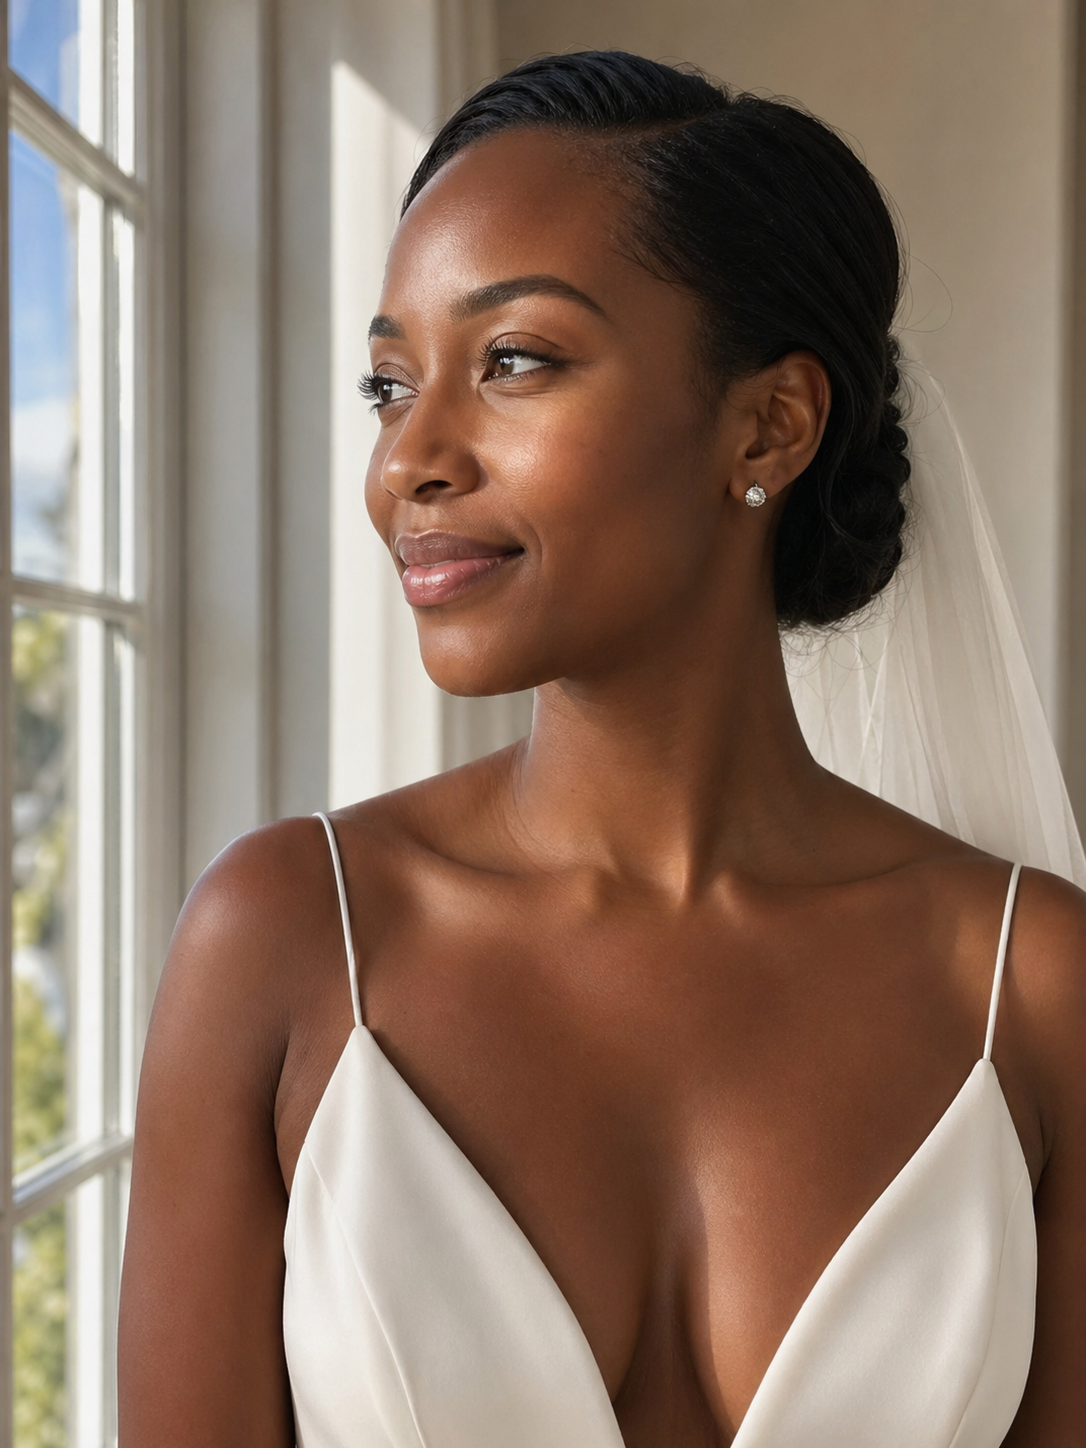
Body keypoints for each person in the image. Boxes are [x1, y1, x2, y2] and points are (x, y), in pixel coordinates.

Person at [118, 50, 1086, 1448]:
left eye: (512, 360)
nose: (410, 463)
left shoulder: (1033, 989)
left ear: (768, 423)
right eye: (388, 385)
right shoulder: (284, 941)